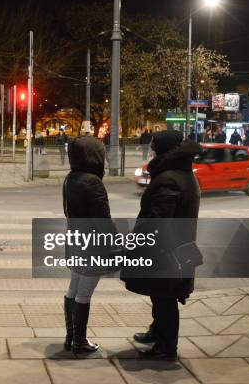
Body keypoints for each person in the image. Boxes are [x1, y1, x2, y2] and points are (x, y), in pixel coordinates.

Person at [121, 131, 200, 360]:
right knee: (160, 295)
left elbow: (159, 219)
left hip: (165, 251)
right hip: (173, 248)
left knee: (165, 298)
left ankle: (166, 348)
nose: (152, 151)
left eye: (155, 148)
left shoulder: (169, 178)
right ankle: (157, 333)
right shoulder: (181, 173)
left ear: (164, 150)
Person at [63, 136, 117, 356]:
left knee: (73, 289)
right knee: (84, 294)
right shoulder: (93, 182)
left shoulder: (71, 177)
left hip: (75, 241)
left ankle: (70, 337)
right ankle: (80, 342)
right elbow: (103, 221)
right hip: (92, 246)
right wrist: (116, 246)